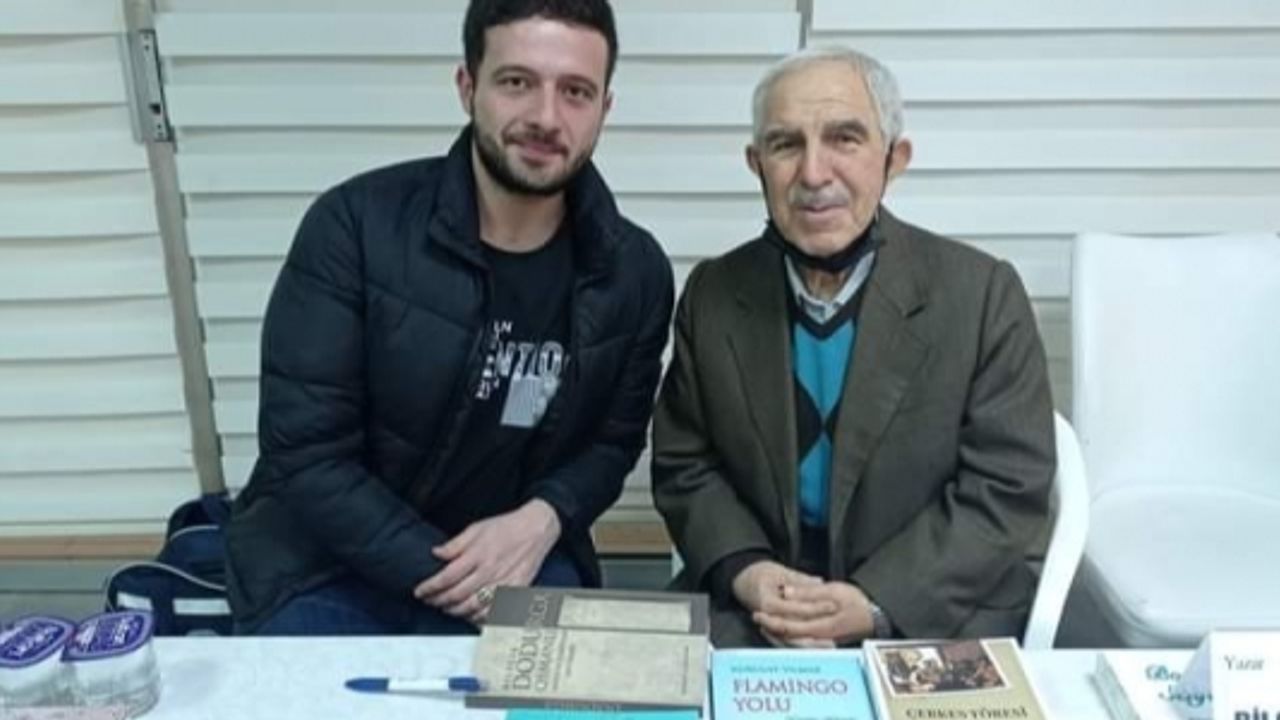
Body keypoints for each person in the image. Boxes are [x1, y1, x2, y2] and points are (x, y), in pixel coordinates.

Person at [225, 0, 674, 635]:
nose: (546, 117)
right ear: (468, 87)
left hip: (517, 552)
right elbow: (307, 454)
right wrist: (456, 577)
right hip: (325, 563)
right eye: (517, 82)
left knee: (581, 685)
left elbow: (613, 442)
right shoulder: (353, 226)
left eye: (575, 92)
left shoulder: (635, 272)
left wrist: (544, 518)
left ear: (605, 107)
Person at [651, 46, 1054, 648]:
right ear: (756, 164)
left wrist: (875, 602)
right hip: (756, 611)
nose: (814, 174)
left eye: (844, 138)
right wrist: (749, 573)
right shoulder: (713, 294)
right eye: (786, 144)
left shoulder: (983, 295)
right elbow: (686, 465)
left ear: (895, 158)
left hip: (932, 611)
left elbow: (1008, 487)